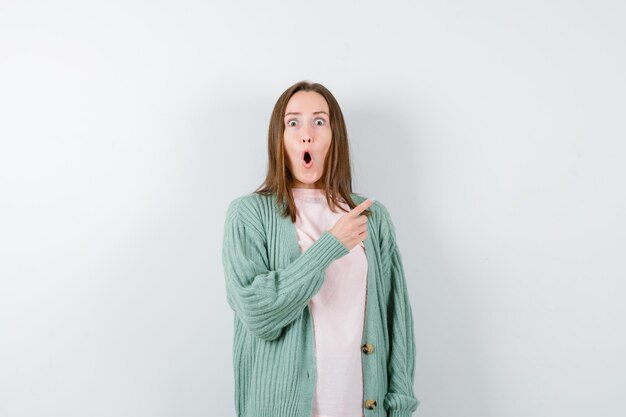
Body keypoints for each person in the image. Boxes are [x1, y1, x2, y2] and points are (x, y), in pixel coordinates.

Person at [222, 80, 420, 417]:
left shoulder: (371, 216)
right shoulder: (249, 214)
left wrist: (399, 406)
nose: (306, 134)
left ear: (334, 136)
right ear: (280, 138)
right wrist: (328, 247)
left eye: (319, 121)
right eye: (293, 122)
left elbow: (395, 317)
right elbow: (257, 313)